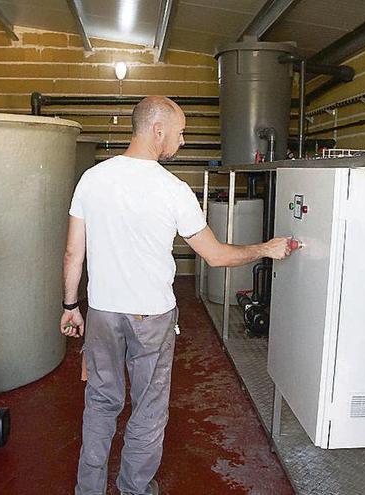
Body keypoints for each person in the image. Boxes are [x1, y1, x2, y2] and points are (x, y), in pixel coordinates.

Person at [61, 96, 295, 495]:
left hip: (102, 312)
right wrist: (265, 249)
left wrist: (70, 306)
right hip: (151, 317)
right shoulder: (174, 190)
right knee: (149, 410)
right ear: (157, 130)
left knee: (101, 402)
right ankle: (134, 489)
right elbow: (216, 255)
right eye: (181, 131)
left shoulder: (92, 178)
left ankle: (89, 490)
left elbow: (72, 252)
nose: (183, 141)